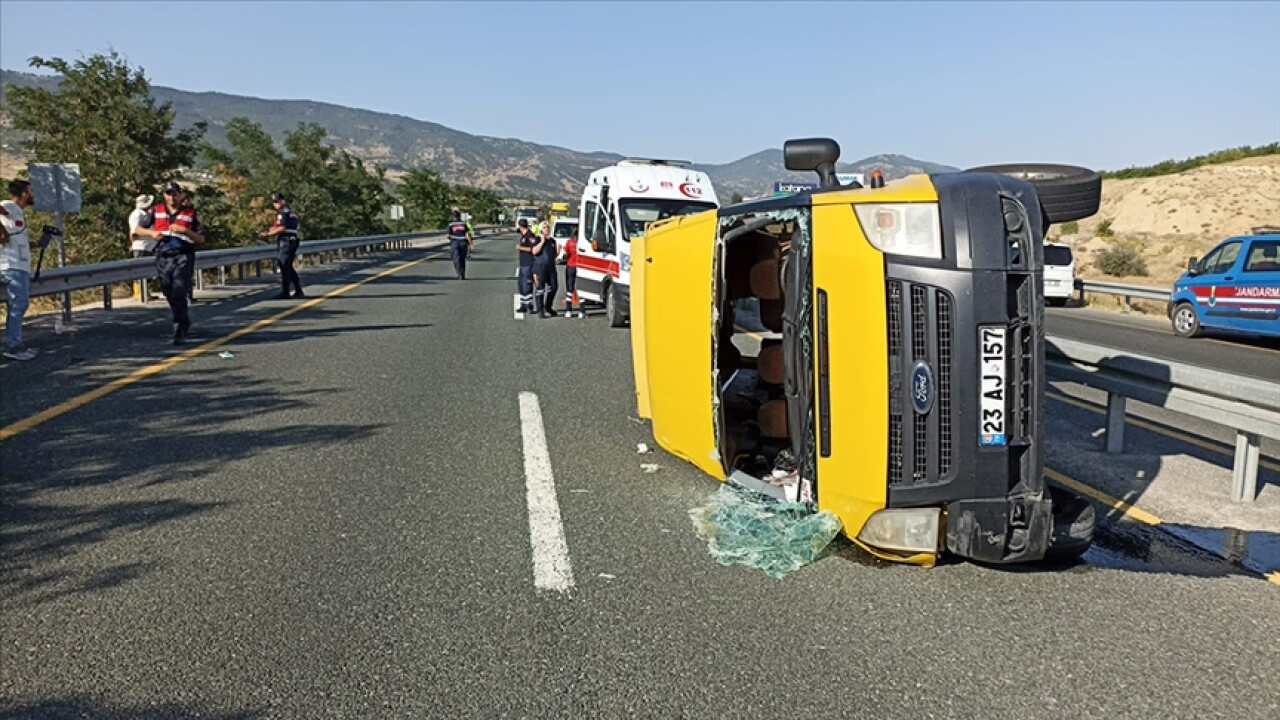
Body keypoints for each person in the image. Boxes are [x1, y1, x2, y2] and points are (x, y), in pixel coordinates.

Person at [138, 182, 203, 345]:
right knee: (168, 290)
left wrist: (185, 231)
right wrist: (152, 233)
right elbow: (138, 230)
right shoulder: (155, 210)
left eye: (174, 194)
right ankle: (183, 318)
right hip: (163, 256)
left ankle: (179, 324)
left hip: (183, 256)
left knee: (180, 290)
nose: (171, 197)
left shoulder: (190, 213)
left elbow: (201, 239)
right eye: (168, 194)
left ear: (180, 195)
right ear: (164, 195)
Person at [0, 179, 38, 360]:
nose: (33, 195)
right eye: (31, 191)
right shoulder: (9, 206)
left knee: (17, 306)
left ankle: (14, 343)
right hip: (12, 266)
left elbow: (16, 240)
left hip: (16, 265)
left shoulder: (18, 215)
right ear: (24, 193)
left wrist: (35, 244)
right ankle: (14, 346)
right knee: (18, 305)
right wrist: (2, 233)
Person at [261, 191, 303, 299]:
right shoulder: (292, 211)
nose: (275, 204)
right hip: (293, 240)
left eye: (276, 201)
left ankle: (286, 292)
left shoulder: (282, 212)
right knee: (288, 265)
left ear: (282, 201)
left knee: (284, 265)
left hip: (286, 241)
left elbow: (281, 228)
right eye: (274, 202)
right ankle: (298, 289)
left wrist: (268, 234)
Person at [533, 220, 558, 317]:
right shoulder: (536, 239)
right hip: (539, 267)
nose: (546, 229)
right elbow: (534, 251)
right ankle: (540, 310)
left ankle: (548, 306)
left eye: (548, 227)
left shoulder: (552, 241)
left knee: (554, 288)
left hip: (551, 267)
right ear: (541, 229)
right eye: (544, 227)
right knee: (540, 289)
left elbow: (553, 255)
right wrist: (542, 241)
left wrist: (557, 252)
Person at [516, 218, 539, 314]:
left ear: (520, 226)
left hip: (528, 264)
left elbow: (533, 249)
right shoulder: (523, 235)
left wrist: (520, 248)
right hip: (522, 264)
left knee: (527, 284)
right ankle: (523, 304)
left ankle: (529, 304)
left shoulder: (530, 236)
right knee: (521, 285)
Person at [562, 229, 584, 318]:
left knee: (569, 289)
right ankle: (582, 311)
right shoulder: (584, 242)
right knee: (581, 288)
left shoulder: (569, 242)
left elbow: (565, 254)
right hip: (581, 266)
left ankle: (568, 310)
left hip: (570, 265)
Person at [446, 210, 474, 279]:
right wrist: (471, 244)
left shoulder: (451, 224)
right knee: (462, 259)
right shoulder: (463, 224)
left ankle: (459, 273)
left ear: (453, 217)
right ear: (459, 216)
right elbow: (467, 234)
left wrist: (451, 238)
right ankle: (463, 274)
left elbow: (447, 235)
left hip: (455, 243)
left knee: (456, 259)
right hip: (463, 243)